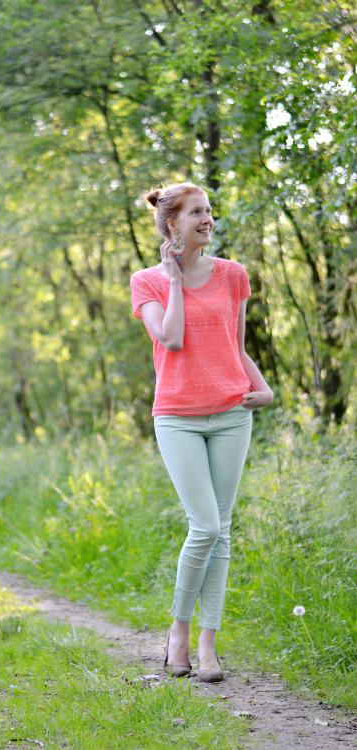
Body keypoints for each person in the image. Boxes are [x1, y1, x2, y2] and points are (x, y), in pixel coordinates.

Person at [130, 182, 274, 681]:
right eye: (196, 213)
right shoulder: (146, 281)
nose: (207, 219)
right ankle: (178, 632)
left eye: (209, 211)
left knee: (224, 530)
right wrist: (172, 280)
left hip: (233, 412)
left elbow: (234, 347)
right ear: (173, 224)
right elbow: (170, 338)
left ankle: (208, 646)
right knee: (205, 526)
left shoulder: (233, 275)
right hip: (177, 416)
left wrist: (264, 388)